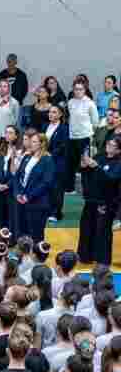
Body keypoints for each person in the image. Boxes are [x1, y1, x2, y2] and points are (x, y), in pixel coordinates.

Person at [77, 137, 121, 265]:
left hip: (106, 201)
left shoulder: (118, 163)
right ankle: (85, 255)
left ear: (118, 150)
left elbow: (111, 179)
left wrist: (96, 167)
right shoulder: (99, 156)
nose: (108, 146)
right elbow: (88, 171)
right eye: (108, 143)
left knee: (102, 231)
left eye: (112, 145)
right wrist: (84, 166)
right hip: (91, 199)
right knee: (86, 227)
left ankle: (102, 259)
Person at [45, 105, 70, 222]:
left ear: (60, 114)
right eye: (50, 112)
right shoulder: (45, 126)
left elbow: (63, 145)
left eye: (54, 112)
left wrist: (50, 154)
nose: (51, 114)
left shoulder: (64, 128)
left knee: (57, 188)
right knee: (47, 187)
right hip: (45, 161)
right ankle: (47, 210)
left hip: (58, 162)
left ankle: (56, 213)